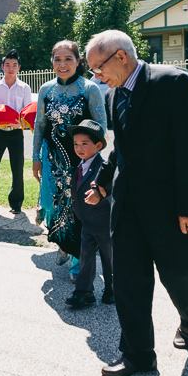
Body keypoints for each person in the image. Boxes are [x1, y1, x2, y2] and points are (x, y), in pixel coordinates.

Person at [85, 30, 188, 376]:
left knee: (180, 275)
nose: (97, 77)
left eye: (98, 68)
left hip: (172, 207)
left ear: (121, 57)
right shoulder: (116, 95)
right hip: (128, 206)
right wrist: (102, 183)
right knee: (129, 281)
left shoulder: (170, 82)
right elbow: (122, 147)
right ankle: (138, 355)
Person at [32, 41, 106, 266]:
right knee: (55, 203)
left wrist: (93, 156)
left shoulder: (89, 89)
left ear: (78, 61)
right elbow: (40, 125)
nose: (62, 64)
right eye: (57, 59)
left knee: (78, 207)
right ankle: (63, 244)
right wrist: (36, 157)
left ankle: (78, 259)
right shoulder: (46, 89)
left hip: (81, 159)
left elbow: (101, 125)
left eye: (68, 59)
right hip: (52, 158)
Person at [64, 121, 114, 309]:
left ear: (98, 146)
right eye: (76, 144)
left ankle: (111, 289)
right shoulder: (80, 165)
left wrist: (101, 195)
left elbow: (108, 188)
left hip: (104, 222)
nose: (79, 148)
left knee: (109, 258)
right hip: (86, 222)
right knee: (85, 257)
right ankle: (84, 292)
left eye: (85, 143)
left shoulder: (104, 167)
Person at [0, 50, 32, 213]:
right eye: (7, 65)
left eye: (14, 65)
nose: (11, 68)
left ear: (19, 68)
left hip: (16, 133)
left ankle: (16, 204)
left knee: (17, 167)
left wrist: (21, 123)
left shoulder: (24, 88)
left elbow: (27, 111)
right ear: (2, 67)